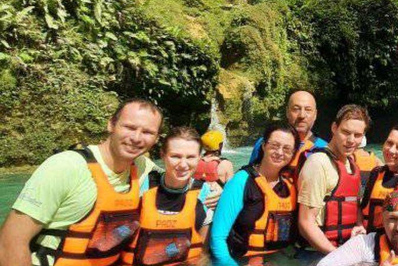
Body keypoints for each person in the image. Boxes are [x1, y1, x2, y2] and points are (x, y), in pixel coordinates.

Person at [0, 99, 163, 266]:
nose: (136, 138)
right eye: (129, 127)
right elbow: (10, 242)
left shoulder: (143, 168)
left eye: (147, 132)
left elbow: (182, 181)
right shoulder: (65, 167)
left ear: (156, 139)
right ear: (111, 125)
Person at [210, 122, 300, 265]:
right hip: (241, 261)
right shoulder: (240, 181)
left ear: (293, 153)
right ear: (264, 146)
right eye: (275, 146)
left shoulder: (291, 186)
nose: (280, 152)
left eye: (287, 149)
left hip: (280, 259)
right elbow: (217, 238)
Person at [122, 127, 211, 266]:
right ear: (162, 155)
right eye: (175, 156)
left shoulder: (206, 192)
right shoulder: (143, 184)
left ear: (200, 157)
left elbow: (202, 251)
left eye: (191, 157)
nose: (183, 164)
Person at [297, 104, 370, 254]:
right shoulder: (318, 163)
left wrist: (358, 225)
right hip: (314, 253)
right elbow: (305, 223)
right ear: (334, 128)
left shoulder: (351, 165)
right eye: (345, 132)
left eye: (357, 135)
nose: (351, 140)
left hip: (343, 248)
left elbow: (352, 205)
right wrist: (337, 257)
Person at [248, 91, 327, 176]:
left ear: (315, 114)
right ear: (287, 112)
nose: (302, 115)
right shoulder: (265, 144)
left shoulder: (324, 149)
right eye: (296, 109)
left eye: (308, 110)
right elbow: (250, 176)